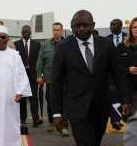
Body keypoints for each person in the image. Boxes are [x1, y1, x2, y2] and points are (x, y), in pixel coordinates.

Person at [51, 10, 128, 146]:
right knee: (85, 143)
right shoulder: (63, 48)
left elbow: (119, 74)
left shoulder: (106, 45)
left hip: (101, 107)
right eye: (77, 25)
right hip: (76, 108)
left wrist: (125, 100)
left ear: (93, 25)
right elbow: (56, 81)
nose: (81, 28)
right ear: (72, 27)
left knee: (95, 141)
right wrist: (57, 113)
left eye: (85, 25)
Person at [36, 22, 69, 136]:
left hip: (66, 80)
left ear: (62, 30)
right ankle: (51, 122)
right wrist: (39, 75)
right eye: (54, 30)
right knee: (51, 102)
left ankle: (64, 124)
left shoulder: (68, 44)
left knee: (65, 102)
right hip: (51, 79)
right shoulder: (45, 44)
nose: (56, 32)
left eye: (58, 30)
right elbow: (40, 61)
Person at [14, 25, 42, 131]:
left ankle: (35, 119)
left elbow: (40, 61)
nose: (25, 33)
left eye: (27, 31)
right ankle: (23, 119)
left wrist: (41, 75)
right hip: (20, 76)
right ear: (21, 33)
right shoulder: (16, 44)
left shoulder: (37, 44)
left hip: (34, 76)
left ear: (30, 32)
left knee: (34, 98)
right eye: (24, 31)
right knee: (22, 99)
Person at [117, 17, 137, 146]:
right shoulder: (122, 46)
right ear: (130, 29)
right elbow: (117, 68)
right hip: (131, 92)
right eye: (134, 27)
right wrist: (128, 69)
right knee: (134, 125)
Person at [106, 19, 128, 130]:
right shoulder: (106, 40)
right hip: (110, 75)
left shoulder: (128, 38)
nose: (111, 26)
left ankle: (118, 119)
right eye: (110, 24)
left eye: (114, 24)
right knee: (113, 96)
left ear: (120, 26)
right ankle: (115, 120)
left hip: (125, 73)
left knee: (122, 96)